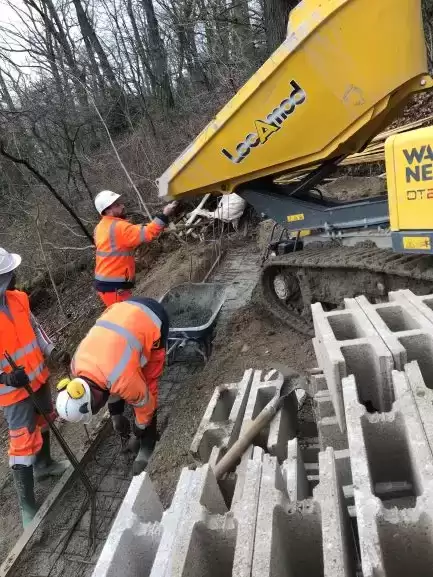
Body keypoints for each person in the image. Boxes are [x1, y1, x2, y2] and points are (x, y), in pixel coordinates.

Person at [56, 297, 169, 475]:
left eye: (95, 408)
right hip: (121, 311)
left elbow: (145, 403)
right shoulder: (76, 366)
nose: (98, 409)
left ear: (91, 400)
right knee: (123, 378)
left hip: (152, 319)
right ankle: (144, 437)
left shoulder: (124, 379)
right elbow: (104, 383)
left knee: (149, 384)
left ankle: (148, 445)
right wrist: (116, 415)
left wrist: (139, 430)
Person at [0, 248, 70, 528]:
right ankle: (27, 506)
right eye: (8, 274)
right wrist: (4, 379)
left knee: (44, 422)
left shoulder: (18, 299)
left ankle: (45, 466)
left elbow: (36, 331)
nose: (14, 276)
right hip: (14, 394)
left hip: (38, 379)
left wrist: (52, 351)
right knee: (21, 445)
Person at [93, 190, 177, 307]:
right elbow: (148, 233)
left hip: (108, 285)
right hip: (115, 287)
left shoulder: (100, 228)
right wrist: (164, 215)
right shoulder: (119, 227)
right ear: (107, 210)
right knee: (126, 318)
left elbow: (132, 231)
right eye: (117, 205)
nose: (123, 206)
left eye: (120, 203)